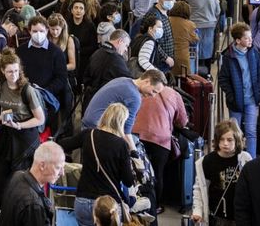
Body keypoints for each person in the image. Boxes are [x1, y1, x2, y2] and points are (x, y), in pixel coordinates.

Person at [66, 103, 137, 226]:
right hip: (108, 204)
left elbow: (63, 145)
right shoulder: (121, 145)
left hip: (83, 199)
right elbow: (128, 181)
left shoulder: (88, 134)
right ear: (121, 122)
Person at [0, 49, 46, 203]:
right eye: (9, 72)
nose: (13, 75)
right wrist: (1, 117)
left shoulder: (27, 90)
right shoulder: (1, 85)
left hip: (25, 138)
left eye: (16, 70)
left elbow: (40, 119)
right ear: (3, 71)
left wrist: (20, 126)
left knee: (18, 182)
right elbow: (6, 107)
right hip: (7, 135)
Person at [132, 77, 187, 214]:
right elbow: (182, 121)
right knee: (158, 173)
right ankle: (155, 206)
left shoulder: (141, 91)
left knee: (138, 171)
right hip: (160, 138)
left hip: (136, 135)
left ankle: (137, 201)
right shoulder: (174, 94)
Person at [191, 120, 252, 226]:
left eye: (229, 140)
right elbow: (199, 189)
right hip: (217, 216)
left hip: (240, 216)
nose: (225, 143)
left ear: (237, 140)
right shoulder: (207, 161)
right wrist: (197, 211)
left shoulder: (245, 159)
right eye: (222, 139)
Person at [16, 16, 68, 132]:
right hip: (25, 101)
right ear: (29, 31)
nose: (38, 34)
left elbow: (61, 78)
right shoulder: (20, 51)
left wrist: (43, 92)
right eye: (35, 31)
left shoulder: (56, 52)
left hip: (48, 101)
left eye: (41, 31)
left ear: (47, 31)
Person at [218, 23, 260, 155]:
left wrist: (259, 92)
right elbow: (223, 79)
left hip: (252, 99)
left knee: (251, 132)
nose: (250, 40)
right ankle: (236, 160)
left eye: (250, 37)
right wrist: (231, 96)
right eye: (247, 38)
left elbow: (259, 73)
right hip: (236, 101)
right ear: (238, 40)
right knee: (236, 133)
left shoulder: (253, 52)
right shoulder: (228, 57)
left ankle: (251, 162)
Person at [0, 141, 66, 226]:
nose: (62, 173)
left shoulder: (17, 176)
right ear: (42, 166)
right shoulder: (34, 205)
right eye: (58, 168)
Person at [82, 70, 166, 136]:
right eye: (154, 91)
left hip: (86, 124)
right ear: (147, 81)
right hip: (96, 130)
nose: (153, 96)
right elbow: (126, 131)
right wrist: (134, 151)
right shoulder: (134, 96)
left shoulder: (123, 80)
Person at [83, 30, 131, 109]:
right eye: (126, 45)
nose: (126, 49)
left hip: (89, 102)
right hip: (104, 105)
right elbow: (128, 81)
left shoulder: (96, 53)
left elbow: (86, 77)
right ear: (120, 41)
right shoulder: (115, 58)